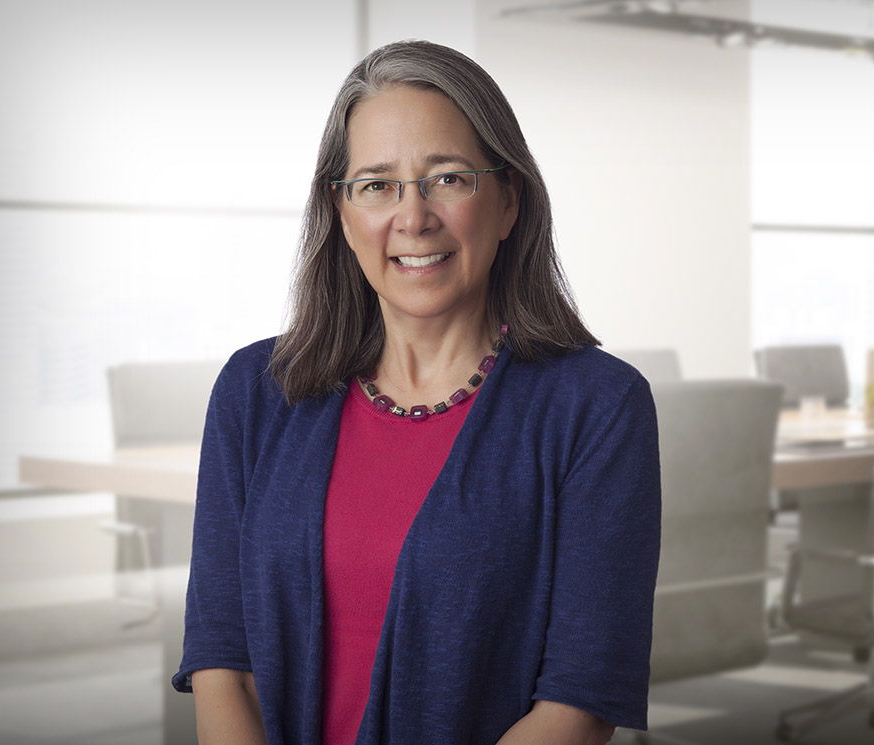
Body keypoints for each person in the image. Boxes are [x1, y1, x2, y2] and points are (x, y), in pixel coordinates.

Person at [172, 39, 661, 745]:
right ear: (342, 215)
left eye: (449, 178)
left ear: (507, 203)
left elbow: (580, 702)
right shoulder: (258, 391)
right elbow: (224, 658)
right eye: (376, 184)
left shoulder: (596, 407)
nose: (413, 216)